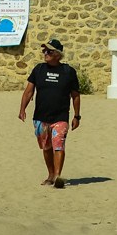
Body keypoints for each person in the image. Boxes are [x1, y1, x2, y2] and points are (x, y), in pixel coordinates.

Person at [16, 38, 82, 188]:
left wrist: (77, 116)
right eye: (44, 51)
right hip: (40, 117)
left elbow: (75, 95)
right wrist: (22, 109)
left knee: (58, 145)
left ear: (58, 55)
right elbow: (28, 91)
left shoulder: (68, 72)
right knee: (46, 147)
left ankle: (58, 177)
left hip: (60, 117)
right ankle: (51, 175)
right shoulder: (38, 69)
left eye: (49, 51)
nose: (45, 53)